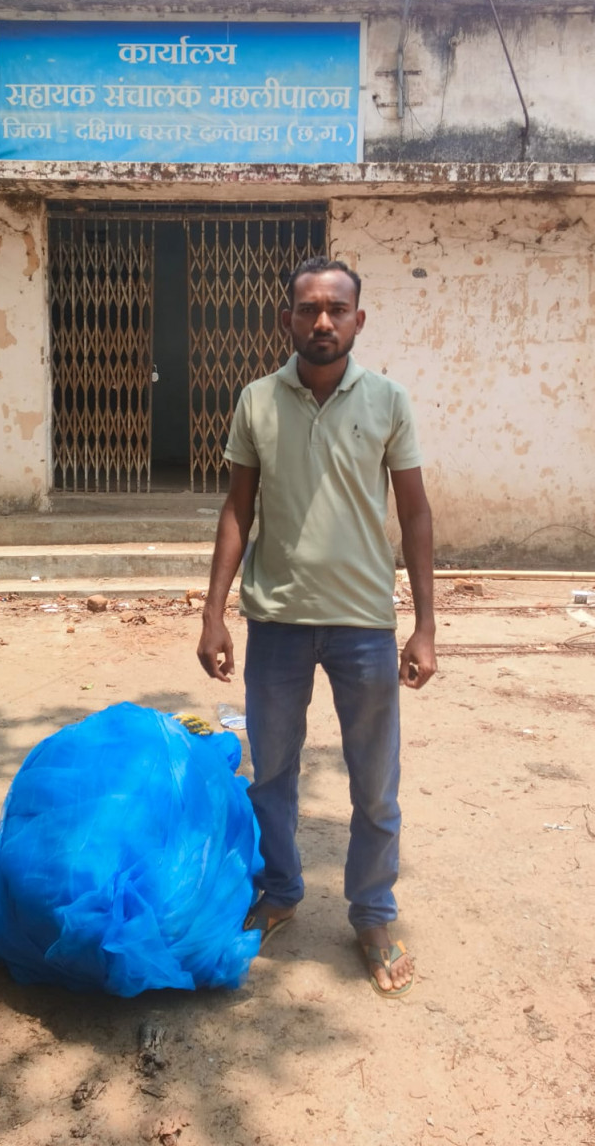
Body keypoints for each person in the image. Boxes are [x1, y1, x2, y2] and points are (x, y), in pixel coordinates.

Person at [197, 256, 436, 998]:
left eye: (337, 309)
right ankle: (281, 890)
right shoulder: (257, 401)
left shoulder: (389, 400)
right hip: (277, 622)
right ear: (287, 320)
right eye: (309, 308)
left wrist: (425, 626)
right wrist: (213, 611)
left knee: (376, 783)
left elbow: (415, 513)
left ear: (359, 320)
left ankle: (373, 914)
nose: (323, 321)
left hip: (364, 624)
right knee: (271, 774)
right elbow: (238, 508)